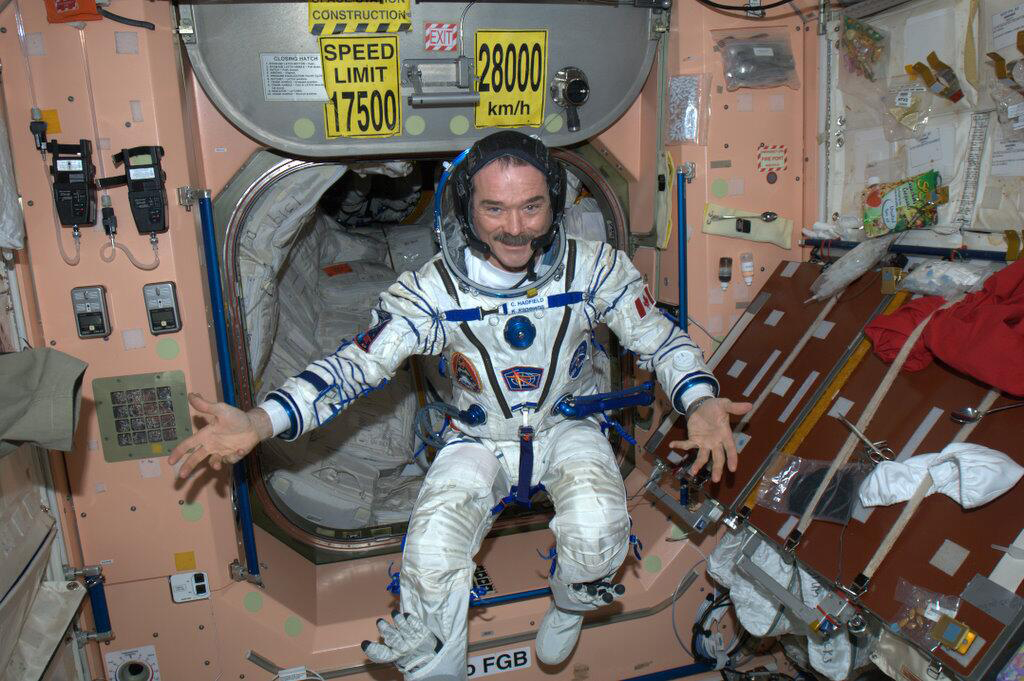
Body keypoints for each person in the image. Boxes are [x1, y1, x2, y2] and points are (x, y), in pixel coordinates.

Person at [169, 131, 751, 680]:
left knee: (601, 532)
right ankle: (439, 665)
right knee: (431, 555)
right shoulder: (430, 292)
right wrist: (261, 419)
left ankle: (571, 603)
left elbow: (661, 340)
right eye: (495, 208)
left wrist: (698, 400)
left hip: (565, 426)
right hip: (477, 438)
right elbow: (354, 367)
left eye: (532, 207)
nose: (516, 228)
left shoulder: (594, 269)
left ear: (553, 205)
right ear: (466, 209)